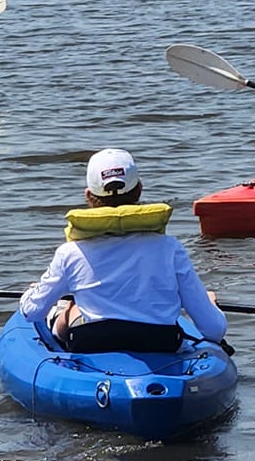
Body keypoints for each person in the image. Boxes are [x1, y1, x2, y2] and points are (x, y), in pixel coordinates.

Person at [20, 147, 231, 352]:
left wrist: (33, 292)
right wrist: (210, 305)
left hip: (92, 342)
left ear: (88, 195)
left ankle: (64, 312)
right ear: (139, 189)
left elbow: (31, 312)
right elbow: (214, 330)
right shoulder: (169, 248)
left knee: (69, 310)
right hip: (160, 342)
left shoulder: (70, 252)